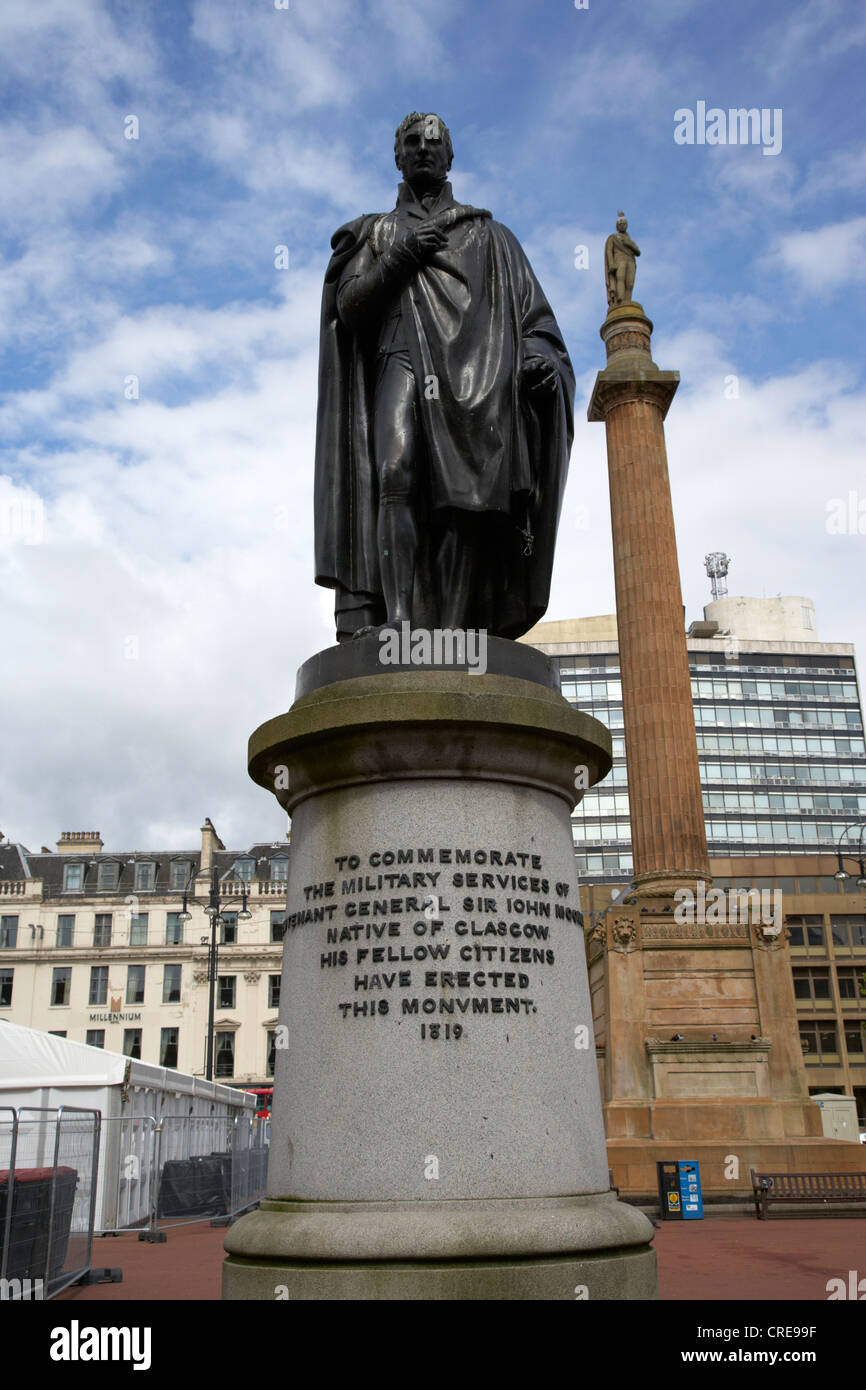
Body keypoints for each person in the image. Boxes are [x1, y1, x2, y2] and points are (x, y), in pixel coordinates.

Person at [314, 112, 575, 641]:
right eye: (412, 142)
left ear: (450, 155)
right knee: (394, 472)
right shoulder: (375, 231)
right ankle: (401, 623)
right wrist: (400, 257)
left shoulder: (491, 237)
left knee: (468, 494)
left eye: (434, 141)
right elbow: (350, 307)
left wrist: (537, 358)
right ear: (397, 156)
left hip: (476, 378)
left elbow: (537, 323)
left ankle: (457, 630)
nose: (423, 149)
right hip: (400, 358)